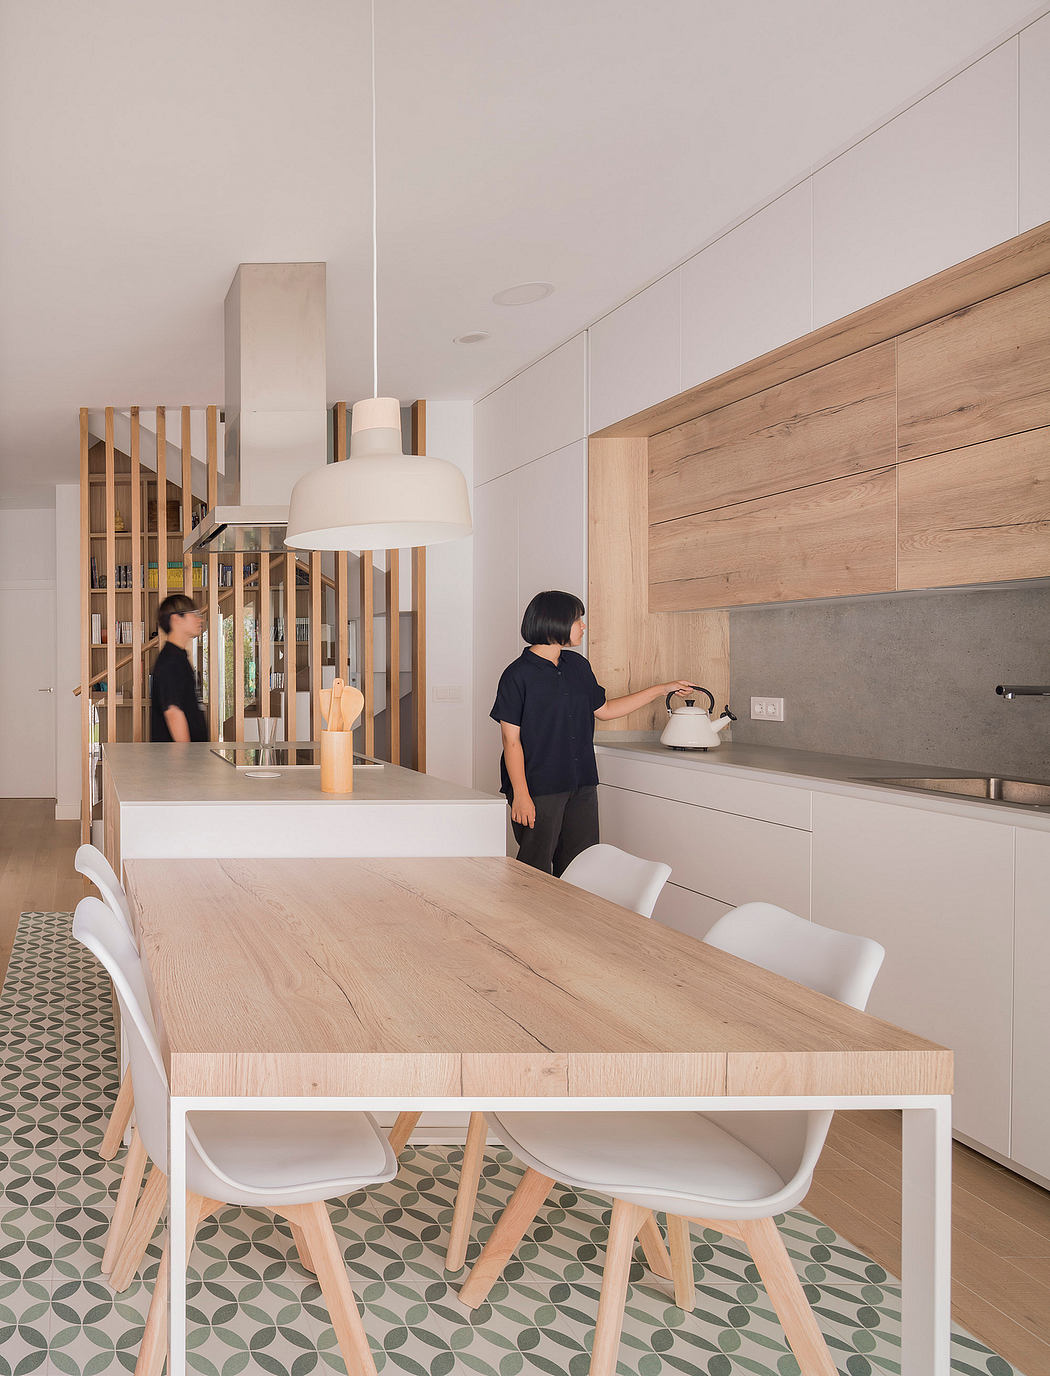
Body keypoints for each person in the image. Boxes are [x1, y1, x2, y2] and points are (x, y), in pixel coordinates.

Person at [490, 590, 693, 876]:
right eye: (577, 619)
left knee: (581, 867)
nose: (583, 626)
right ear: (555, 622)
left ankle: (572, 922)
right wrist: (521, 795)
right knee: (534, 871)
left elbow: (606, 709)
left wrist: (662, 689)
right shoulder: (517, 675)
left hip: (582, 782)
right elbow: (511, 742)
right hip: (539, 787)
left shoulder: (578, 666)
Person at [150, 594, 208, 742]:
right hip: (179, 761)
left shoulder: (179, 657)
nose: (199, 619)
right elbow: (173, 712)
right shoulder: (170, 661)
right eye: (194, 614)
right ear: (176, 619)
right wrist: (187, 758)